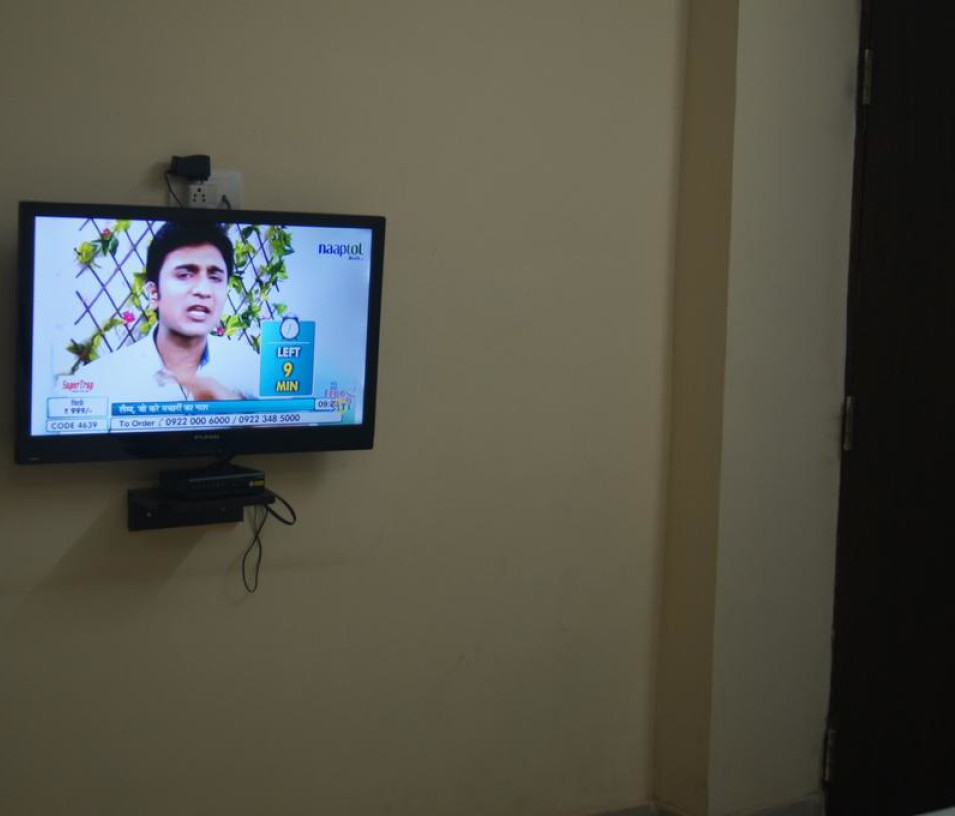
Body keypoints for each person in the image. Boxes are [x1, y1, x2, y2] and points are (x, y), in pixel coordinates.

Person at [67, 221, 261, 402]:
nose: (203, 290)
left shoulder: (248, 367)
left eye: (215, 277)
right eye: (185, 275)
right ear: (153, 293)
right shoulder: (101, 382)